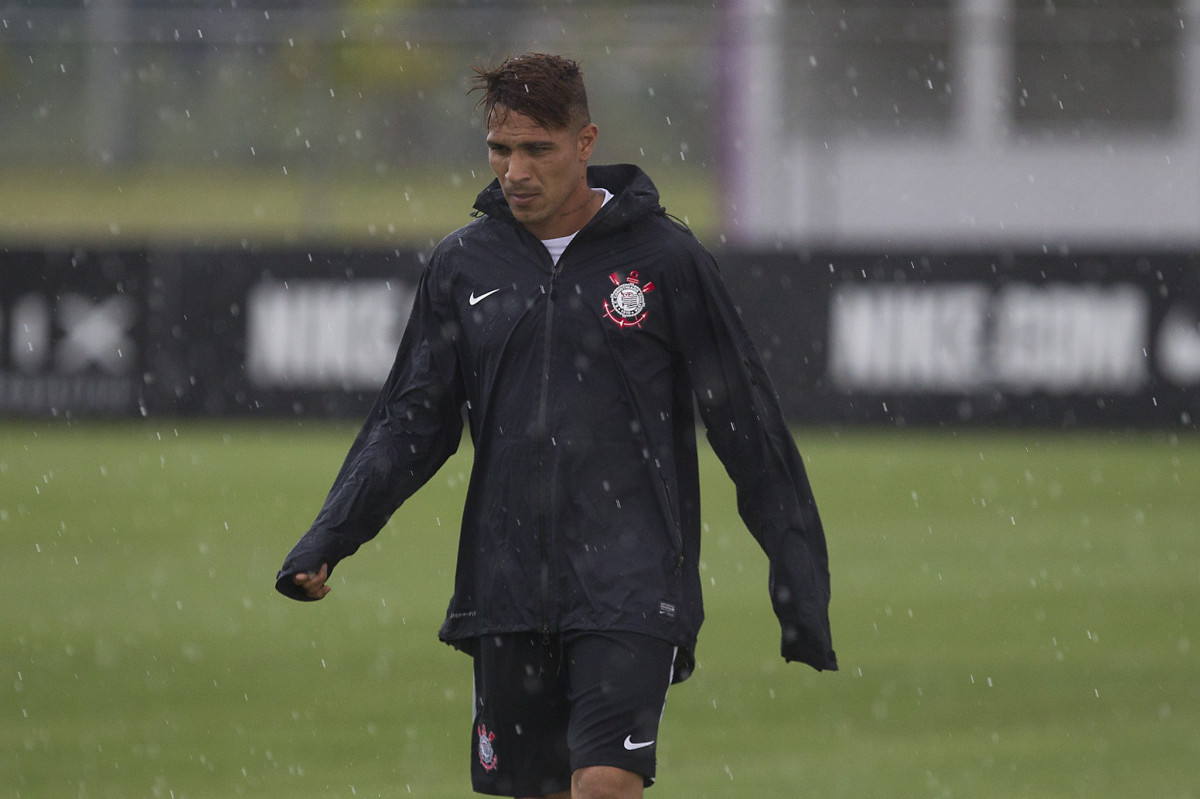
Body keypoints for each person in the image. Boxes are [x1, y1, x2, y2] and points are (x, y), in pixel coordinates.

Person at [275, 52, 836, 799]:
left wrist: (799, 583)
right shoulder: (461, 266)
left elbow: (747, 424)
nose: (515, 170)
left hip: (632, 584)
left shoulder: (665, 260)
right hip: (506, 585)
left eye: (536, 148)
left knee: (605, 782)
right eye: (500, 150)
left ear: (585, 142)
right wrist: (328, 538)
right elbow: (411, 420)